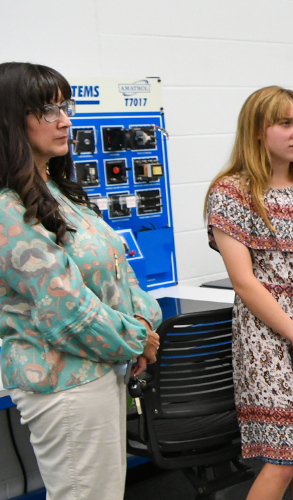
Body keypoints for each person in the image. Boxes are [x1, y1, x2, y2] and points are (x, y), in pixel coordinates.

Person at [0, 62, 161, 500]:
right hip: (64, 385)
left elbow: (118, 268)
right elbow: (67, 312)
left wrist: (143, 326)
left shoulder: (57, 191)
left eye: (64, 107)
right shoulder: (8, 210)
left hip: (101, 370)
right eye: (48, 111)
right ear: (11, 121)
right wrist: (136, 340)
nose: (66, 120)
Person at [205, 86, 293, 500]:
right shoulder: (231, 194)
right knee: (286, 454)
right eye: (285, 123)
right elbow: (244, 281)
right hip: (270, 336)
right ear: (257, 131)